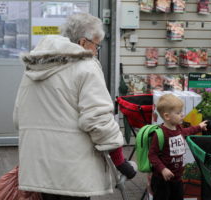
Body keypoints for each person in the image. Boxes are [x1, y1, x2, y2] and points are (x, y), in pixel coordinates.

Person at [13, 13, 134, 200]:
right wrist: (119, 160)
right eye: (96, 45)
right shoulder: (86, 67)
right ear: (83, 43)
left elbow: (18, 116)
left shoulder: (33, 67)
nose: (96, 51)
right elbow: (98, 118)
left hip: (40, 166)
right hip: (73, 169)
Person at [148, 94, 207, 200]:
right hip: (162, 179)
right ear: (167, 116)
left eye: (181, 112)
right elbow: (152, 155)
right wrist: (163, 169)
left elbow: (187, 131)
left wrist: (199, 127)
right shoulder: (160, 133)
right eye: (178, 113)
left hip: (177, 177)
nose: (182, 115)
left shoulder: (178, 128)